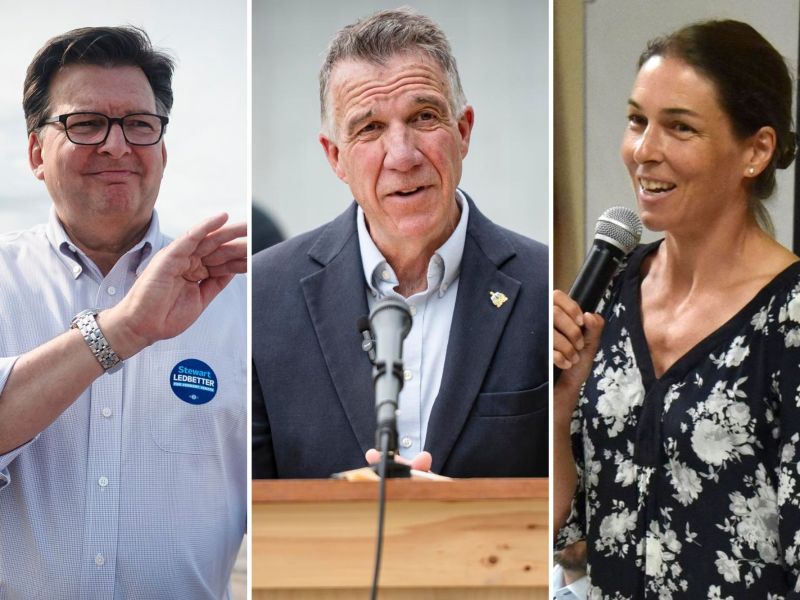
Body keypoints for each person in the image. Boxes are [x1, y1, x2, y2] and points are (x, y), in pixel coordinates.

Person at [553, 19, 800, 598]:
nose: (643, 151)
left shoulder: (790, 318)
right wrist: (558, 412)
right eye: (637, 120)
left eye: (679, 128)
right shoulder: (610, 287)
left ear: (756, 151)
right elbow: (571, 538)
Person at [0, 27, 246, 598]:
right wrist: (122, 330)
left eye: (139, 124)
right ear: (37, 152)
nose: (116, 145)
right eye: (85, 124)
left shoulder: (238, 292)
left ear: (163, 148)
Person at [252, 8, 548, 479]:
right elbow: (257, 511)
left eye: (424, 117)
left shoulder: (544, 286)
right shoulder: (264, 295)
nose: (403, 155)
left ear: (463, 131)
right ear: (336, 157)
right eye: (369, 128)